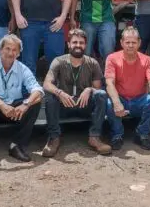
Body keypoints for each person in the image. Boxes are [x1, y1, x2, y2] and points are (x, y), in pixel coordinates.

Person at [0, 34, 44, 165]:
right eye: (7, 49)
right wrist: (1, 105)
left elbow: (38, 90)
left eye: (14, 50)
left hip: (14, 110)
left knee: (36, 102)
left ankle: (16, 145)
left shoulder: (22, 68)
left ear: (18, 54)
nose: (10, 53)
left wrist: (26, 105)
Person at [41, 28, 111, 156]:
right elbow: (46, 83)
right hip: (64, 105)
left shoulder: (92, 63)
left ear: (85, 45)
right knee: (50, 96)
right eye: (74, 42)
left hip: (84, 105)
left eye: (81, 43)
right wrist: (60, 93)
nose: (78, 45)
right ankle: (54, 138)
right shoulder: (59, 61)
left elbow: (98, 88)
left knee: (101, 95)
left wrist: (89, 89)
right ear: (68, 44)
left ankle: (94, 137)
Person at [105, 26, 150, 151]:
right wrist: (117, 102)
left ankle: (142, 134)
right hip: (121, 99)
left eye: (133, 42)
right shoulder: (112, 58)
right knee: (110, 103)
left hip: (139, 100)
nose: (130, 45)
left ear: (139, 43)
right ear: (121, 43)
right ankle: (117, 135)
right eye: (127, 42)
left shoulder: (147, 60)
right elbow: (109, 83)